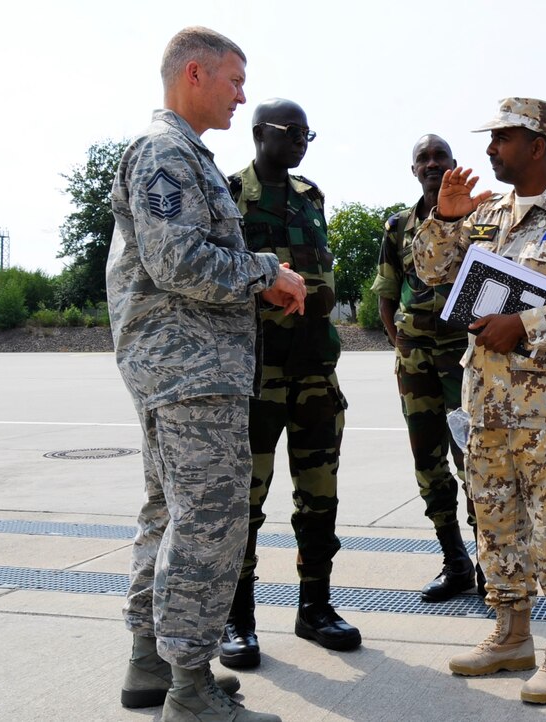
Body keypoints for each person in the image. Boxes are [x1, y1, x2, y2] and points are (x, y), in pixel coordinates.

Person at [108, 27, 305, 722]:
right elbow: (180, 263)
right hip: (191, 370)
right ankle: (189, 690)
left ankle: (151, 665)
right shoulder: (167, 153)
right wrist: (265, 270)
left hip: (181, 370)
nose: (242, 96)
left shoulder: (181, 155)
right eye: (234, 81)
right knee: (210, 525)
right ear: (195, 74)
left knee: (168, 515)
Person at [413, 98, 546, 705]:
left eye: (502, 138)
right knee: (495, 517)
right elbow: (430, 273)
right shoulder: (486, 215)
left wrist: (526, 324)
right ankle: (510, 634)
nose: (489, 149)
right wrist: (446, 217)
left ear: (538, 146)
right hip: (486, 407)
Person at [218, 98, 360, 670]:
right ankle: (238, 618)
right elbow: (223, 277)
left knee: (319, 498)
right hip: (256, 376)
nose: (302, 141)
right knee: (244, 504)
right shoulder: (228, 194)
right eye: (291, 131)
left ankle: (315, 608)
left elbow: (323, 274)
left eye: (308, 133)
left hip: (315, 373)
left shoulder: (312, 197)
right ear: (259, 134)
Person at [371, 134, 485, 602]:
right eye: (424, 159)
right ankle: (454, 561)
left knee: (475, 462)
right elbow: (385, 294)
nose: (433, 164)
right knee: (428, 464)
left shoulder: (480, 218)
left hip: (463, 357)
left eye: (441, 157)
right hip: (415, 360)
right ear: (413, 170)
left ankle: (489, 567)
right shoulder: (399, 226)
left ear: (455, 165)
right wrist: (405, 347)